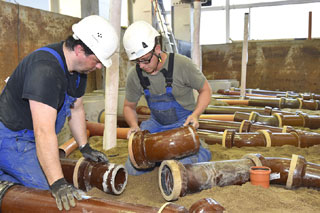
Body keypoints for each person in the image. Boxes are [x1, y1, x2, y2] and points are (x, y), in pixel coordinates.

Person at [0, 15, 118, 211]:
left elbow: (77, 107)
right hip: (11, 138)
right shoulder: (45, 70)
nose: (99, 67)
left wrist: (84, 147)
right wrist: (56, 183)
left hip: (31, 138)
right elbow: (43, 132)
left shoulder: (78, 71)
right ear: (80, 50)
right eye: (97, 61)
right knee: (47, 197)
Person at [122, 21, 212, 175]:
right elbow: (128, 106)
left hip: (182, 125)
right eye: (137, 61)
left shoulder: (182, 64)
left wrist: (195, 114)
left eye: (144, 59)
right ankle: (162, 156)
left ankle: (199, 150)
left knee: (180, 167)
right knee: (133, 168)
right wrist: (134, 126)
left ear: (157, 49)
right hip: (156, 125)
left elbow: (206, 90)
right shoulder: (135, 74)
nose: (141, 66)